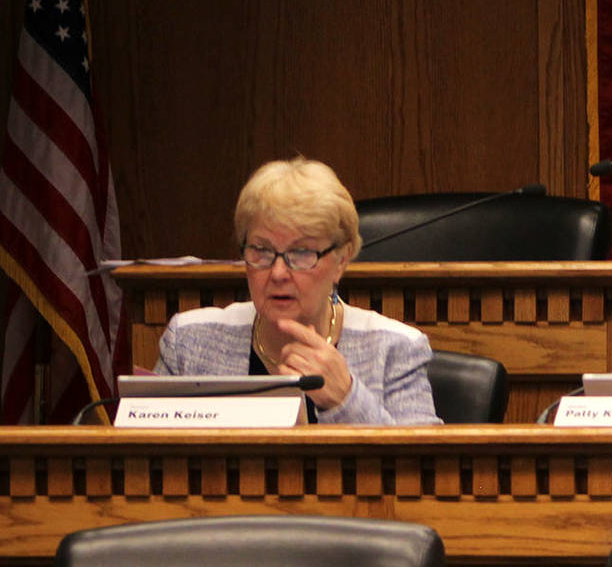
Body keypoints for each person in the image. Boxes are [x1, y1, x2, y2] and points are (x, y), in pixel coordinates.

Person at [156, 158, 441, 424]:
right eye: (262, 250)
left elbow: (428, 473)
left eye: (302, 252)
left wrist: (347, 399)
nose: (278, 273)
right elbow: (144, 465)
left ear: (341, 260)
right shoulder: (189, 343)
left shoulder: (395, 349)